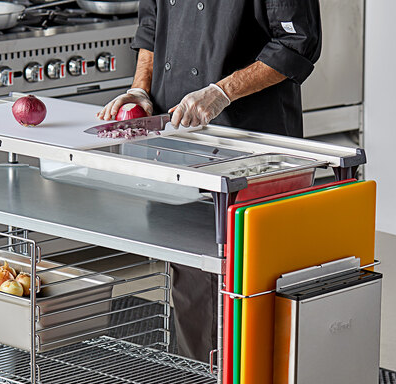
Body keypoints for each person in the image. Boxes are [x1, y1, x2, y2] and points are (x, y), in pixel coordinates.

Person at [97, 1, 322, 362]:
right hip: (179, 130)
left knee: (257, 275)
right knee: (190, 273)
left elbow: (296, 43)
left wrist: (222, 92)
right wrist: (140, 89)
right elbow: (152, 27)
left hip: (251, 140)